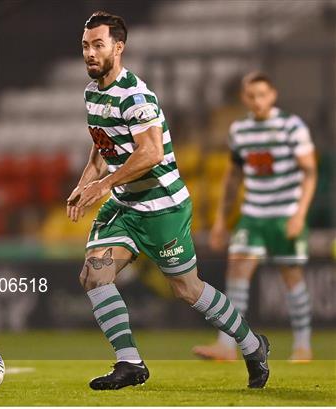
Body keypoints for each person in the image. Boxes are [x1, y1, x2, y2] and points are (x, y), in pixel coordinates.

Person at [67, 11, 270, 391]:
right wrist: (85, 183)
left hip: (163, 208)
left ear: (118, 47)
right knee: (94, 274)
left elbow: (151, 152)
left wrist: (103, 185)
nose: (90, 53)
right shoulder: (92, 93)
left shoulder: (136, 95)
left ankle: (252, 344)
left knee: (187, 289)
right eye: (85, 46)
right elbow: (101, 146)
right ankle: (129, 363)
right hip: (126, 207)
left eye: (98, 45)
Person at [193, 72, 317, 363]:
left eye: (262, 95)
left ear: (272, 95)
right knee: (237, 274)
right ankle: (226, 346)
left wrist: (300, 213)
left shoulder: (291, 125)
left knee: (291, 276)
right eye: (251, 96)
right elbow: (233, 177)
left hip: (285, 213)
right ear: (244, 98)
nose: (257, 101)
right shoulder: (240, 130)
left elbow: (309, 172)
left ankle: (303, 345)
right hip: (253, 214)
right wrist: (222, 221)